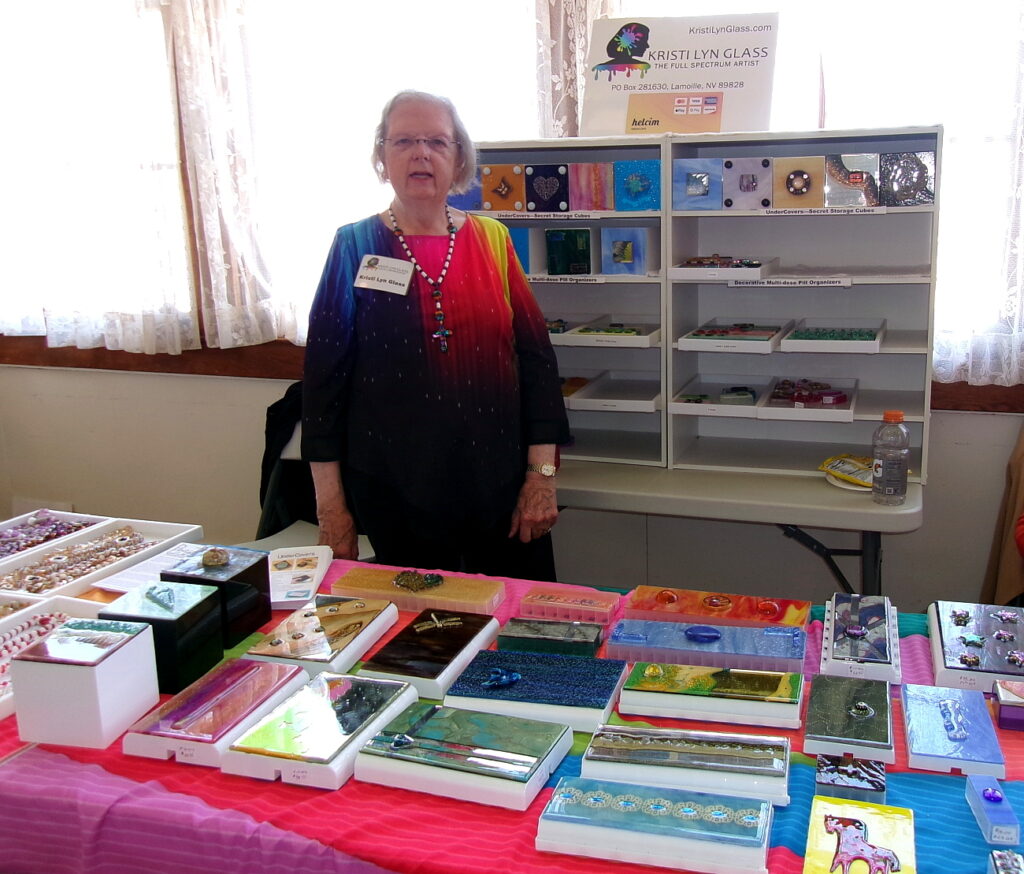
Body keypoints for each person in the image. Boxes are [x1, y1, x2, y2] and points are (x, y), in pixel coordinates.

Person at [301, 90, 570, 581]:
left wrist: (541, 477)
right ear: (382, 158)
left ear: (459, 158)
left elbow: (537, 363)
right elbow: (323, 388)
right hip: (397, 494)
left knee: (523, 633)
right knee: (423, 641)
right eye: (403, 140)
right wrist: (331, 509)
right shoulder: (353, 245)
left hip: (502, 491)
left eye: (436, 142)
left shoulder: (493, 239)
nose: (420, 153)